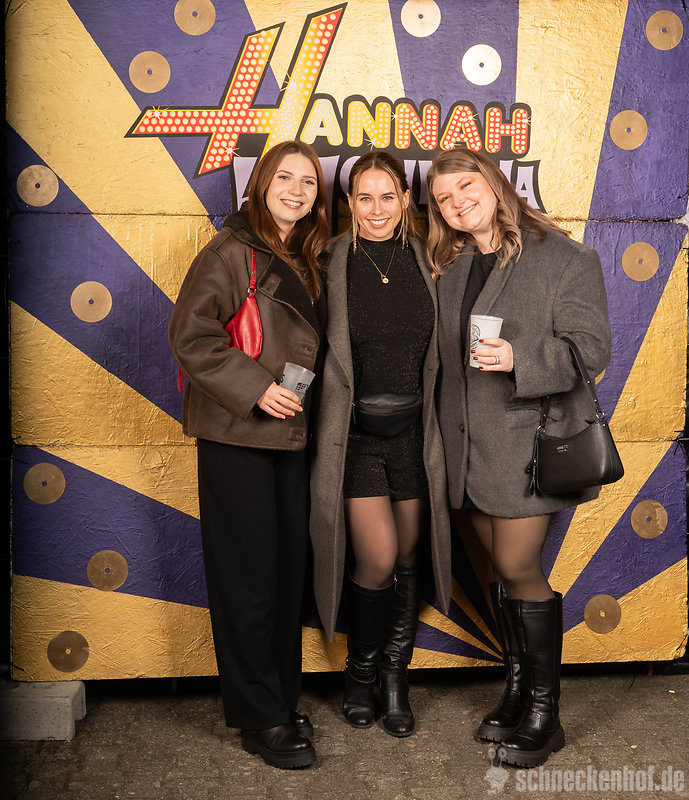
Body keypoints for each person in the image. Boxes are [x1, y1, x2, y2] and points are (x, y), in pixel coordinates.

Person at [426, 148, 611, 768]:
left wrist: (519, 359)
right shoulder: (450, 266)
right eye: (444, 198)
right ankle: (517, 692)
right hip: (467, 449)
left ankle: (544, 715)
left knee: (518, 566)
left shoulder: (564, 258)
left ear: (494, 183)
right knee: (502, 573)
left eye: (466, 186)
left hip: (528, 445)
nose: (457, 203)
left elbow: (592, 349)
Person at [168, 141, 329, 769]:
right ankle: (258, 717)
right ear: (260, 184)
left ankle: (280, 700)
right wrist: (256, 388)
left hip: (290, 436)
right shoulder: (230, 250)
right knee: (247, 582)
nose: (296, 190)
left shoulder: (303, 254)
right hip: (238, 435)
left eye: (308, 182)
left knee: (284, 576)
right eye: (284, 178)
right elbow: (191, 335)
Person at [310, 151, 451, 738]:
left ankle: (395, 678)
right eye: (364, 197)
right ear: (349, 202)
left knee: (412, 559)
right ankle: (359, 672)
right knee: (379, 558)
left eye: (387, 197)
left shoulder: (431, 259)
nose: (376, 209)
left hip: (416, 437)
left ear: (405, 201)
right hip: (356, 438)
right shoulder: (328, 261)